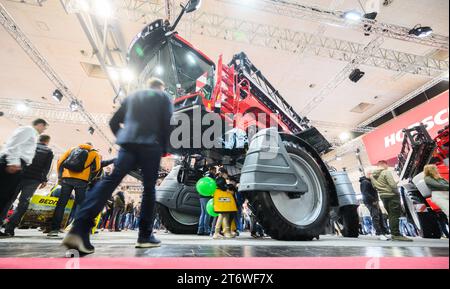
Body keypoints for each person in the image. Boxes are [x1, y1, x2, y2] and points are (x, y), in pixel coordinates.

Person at [63, 77, 173, 254]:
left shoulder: (133, 96)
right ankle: (145, 236)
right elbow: (167, 123)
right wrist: (165, 148)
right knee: (149, 189)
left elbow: (114, 122)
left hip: (127, 144)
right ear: (161, 86)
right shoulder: (163, 97)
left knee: (111, 180)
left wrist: (124, 138)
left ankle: (79, 229)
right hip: (151, 144)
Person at [1, 135, 54, 237]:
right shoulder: (48, 151)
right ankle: (10, 228)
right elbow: (46, 168)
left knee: (9, 200)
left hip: (19, 175)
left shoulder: (29, 146)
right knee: (23, 203)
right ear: (47, 141)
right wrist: (44, 180)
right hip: (34, 180)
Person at [47, 143, 101, 237]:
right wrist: (90, 178)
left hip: (67, 179)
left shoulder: (72, 149)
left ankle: (54, 229)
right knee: (80, 205)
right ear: (91, 146)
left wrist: (60, 176)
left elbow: (60, 161)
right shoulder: (94, 153)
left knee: (61, 204)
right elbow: (97, 168)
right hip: (82, 181)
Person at [0, 119, 48, 217]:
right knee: (3, 194)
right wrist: (13, 161)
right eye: (44, 127)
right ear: (39, 124)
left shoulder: (33, 134)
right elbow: (13, 144)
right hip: (13, 163)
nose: (44, 130)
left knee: (7, 196)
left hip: (18, 164)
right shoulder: (28, 130)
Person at [370, 160, 412, 242]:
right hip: (392, 195)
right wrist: (397, 192)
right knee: (395, 215)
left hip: (383, 196)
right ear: (384, 164)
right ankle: (396, 234)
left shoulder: (372, 176)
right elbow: (392, 185)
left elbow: (374, 186)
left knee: (391, 215)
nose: (387, 167)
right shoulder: (386, 172)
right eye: (387, 165)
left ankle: (394, 233)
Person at [359, 174, 389, 239]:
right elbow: (365, 193)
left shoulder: (368, 182)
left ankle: (383, 232)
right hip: (371, 202)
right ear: (369, 175)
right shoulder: (365, 182)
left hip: (374, 201)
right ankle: (379, 233)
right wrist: (373, 200)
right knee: (376, 216)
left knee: (379, 216)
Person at [197, 167, 216, 236]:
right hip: (207, 196)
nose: (215, 172)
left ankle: (200, 230)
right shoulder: (211, 176)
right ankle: (206, 229)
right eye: (214, 170)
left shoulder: (204, 175)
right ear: (211, 170)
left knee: (203, 213)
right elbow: (213, 185)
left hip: (201, 195)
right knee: (207, 213)